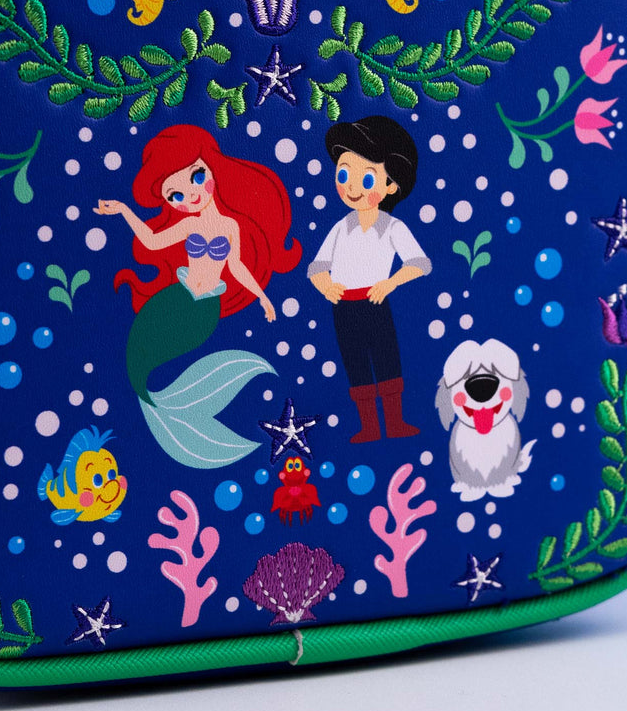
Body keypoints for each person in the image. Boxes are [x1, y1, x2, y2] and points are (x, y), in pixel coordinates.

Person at [96, 124, 301, 468]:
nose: (191, 195)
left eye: (196, 176)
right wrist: (124, 211)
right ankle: (160, 410)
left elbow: (236, 267)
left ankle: (182, 409)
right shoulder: (190, 225)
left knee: (169, 366)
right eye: (175, 195)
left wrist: (263, 297)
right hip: (178, 297)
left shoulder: (230, 226)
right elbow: (152, 242)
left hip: (205, 309)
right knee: (139, 356)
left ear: (212, 168)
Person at [307, 115, 430, 443]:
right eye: (344, 173)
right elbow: (316, 267)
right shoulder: (341, 228)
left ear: (391, 185)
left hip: (376, 303)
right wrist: (326, 286)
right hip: (344, 307)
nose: (350, 186)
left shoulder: (392, 227)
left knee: (387, 361)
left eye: (366, 178)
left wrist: (390, 283)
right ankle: (369, 428)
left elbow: (420, 263)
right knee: (356, 364)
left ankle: (395, 422)